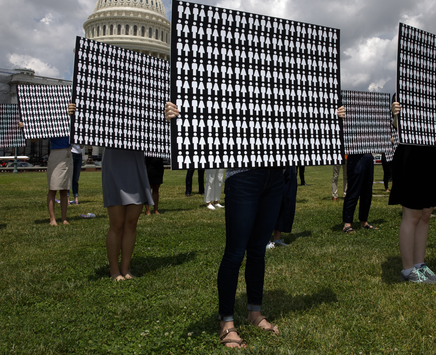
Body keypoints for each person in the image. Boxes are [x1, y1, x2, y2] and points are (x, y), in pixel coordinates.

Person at [165, 101, 345, 348]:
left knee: (258, 250)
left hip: (275, 174)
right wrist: (178, 114)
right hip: (243, 175)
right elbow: (207, 105)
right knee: (235, 252)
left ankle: (254, 313)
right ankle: (226, 323)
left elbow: (296, 113)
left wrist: (329, 117)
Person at [69, 104, 152, 281]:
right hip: (114, 158)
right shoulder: (107, 101)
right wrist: (75, 114)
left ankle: (126, 269)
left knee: (131, 223)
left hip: (135, 158)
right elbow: (89, 119)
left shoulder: (142, 101)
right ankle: (114, 270)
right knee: (117, 223)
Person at [389, 97, 436, 284]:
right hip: (410, 155)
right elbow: (399, 126)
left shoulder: (431, 92)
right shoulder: (405, 88)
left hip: (430, 153)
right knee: (412, 214)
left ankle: (419, 264)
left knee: (426, 213)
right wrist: (395, 114)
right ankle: (408, 269)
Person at [341, 153, 377, 233]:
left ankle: (364, 221)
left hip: (368, 156)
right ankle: (347, 224)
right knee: (353, 191)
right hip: (355, 157)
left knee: (367, 192)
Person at [268, 166, 297, 248]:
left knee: (286, 200)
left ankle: (277, 239)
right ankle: (266, 240)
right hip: (273, 166)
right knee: (270, 202)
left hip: (289, 165)